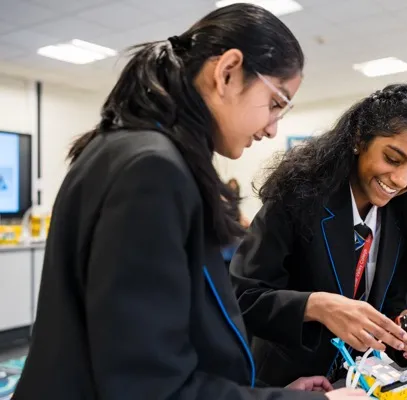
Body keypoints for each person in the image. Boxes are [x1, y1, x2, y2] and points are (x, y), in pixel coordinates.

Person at [14, 4, 367, 400]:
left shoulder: (129, 148)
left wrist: (264, 391)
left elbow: (163, 346)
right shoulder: (152, 169)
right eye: (276, 104)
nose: (272, 129)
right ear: (228, 72)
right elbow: (149, 386)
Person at [230, 84, 407, 387]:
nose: (401, 180)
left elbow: (390, 306)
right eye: (393, 159)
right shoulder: (297, 200)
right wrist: (317, 306)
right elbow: (242, 298)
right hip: (286, 384)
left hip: (354, 383)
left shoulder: (404, 217)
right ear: (360, 139)